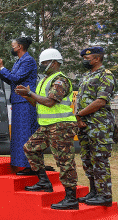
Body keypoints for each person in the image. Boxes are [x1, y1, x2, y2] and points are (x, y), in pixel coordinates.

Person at [15, 48, 79, 210]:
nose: (43, 66)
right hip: (47, 126)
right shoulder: (46, 80)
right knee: (30, 148)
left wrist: (30, 92)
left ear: (55, 62)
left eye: (45, 63)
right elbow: (38, 103)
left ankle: (71, 197)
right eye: (42, 63)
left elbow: (50, 102)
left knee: (64, 161)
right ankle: (44, 182)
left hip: (61, 126)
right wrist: (27, 96)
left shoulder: (60, 80)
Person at [75, 46, 116, 207]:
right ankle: (94, 191)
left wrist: (79, 115)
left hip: (100, 125)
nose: (84, 61)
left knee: (100, 160)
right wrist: (79, 119)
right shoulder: (86, 75)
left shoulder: (106, 76)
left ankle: (105, 195)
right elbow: (80, 100)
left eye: (87, 58)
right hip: (85, 124)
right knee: (87, 160)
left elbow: (100, 101)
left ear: (97, 59)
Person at [0, 37, 38, 175]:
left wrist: (2, 67)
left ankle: (30, 166)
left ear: (20, 47)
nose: (12, 48)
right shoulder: (19, 61)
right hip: (18, 101)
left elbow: (16, 78)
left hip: (26, 101)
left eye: (13, 45)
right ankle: (21, 164)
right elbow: (12, 79)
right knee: (18, 136)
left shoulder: (28, 60)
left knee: (25, 135)